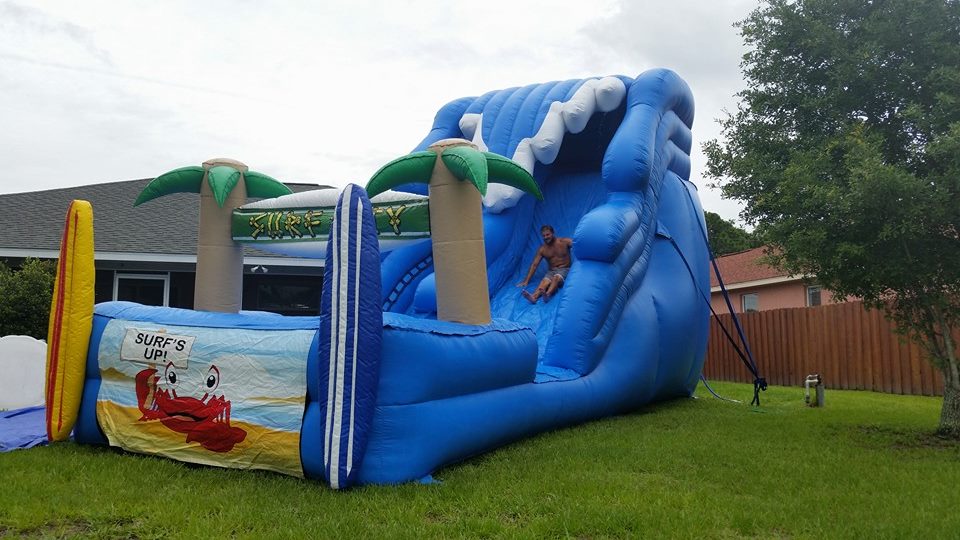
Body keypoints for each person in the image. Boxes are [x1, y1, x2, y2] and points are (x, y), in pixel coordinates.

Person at [516, 225, 573, 304]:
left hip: (565, 269)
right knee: (544, 282)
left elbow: (578, 243)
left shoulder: (564, 241)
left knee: (556, 278)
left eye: (547, 234)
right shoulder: (542, 249)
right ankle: (534, 297)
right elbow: (534, 265)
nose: (546, 237)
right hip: (551, 271)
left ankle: (547, 294)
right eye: (543, 236)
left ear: (553, 233)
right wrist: (526, 281)